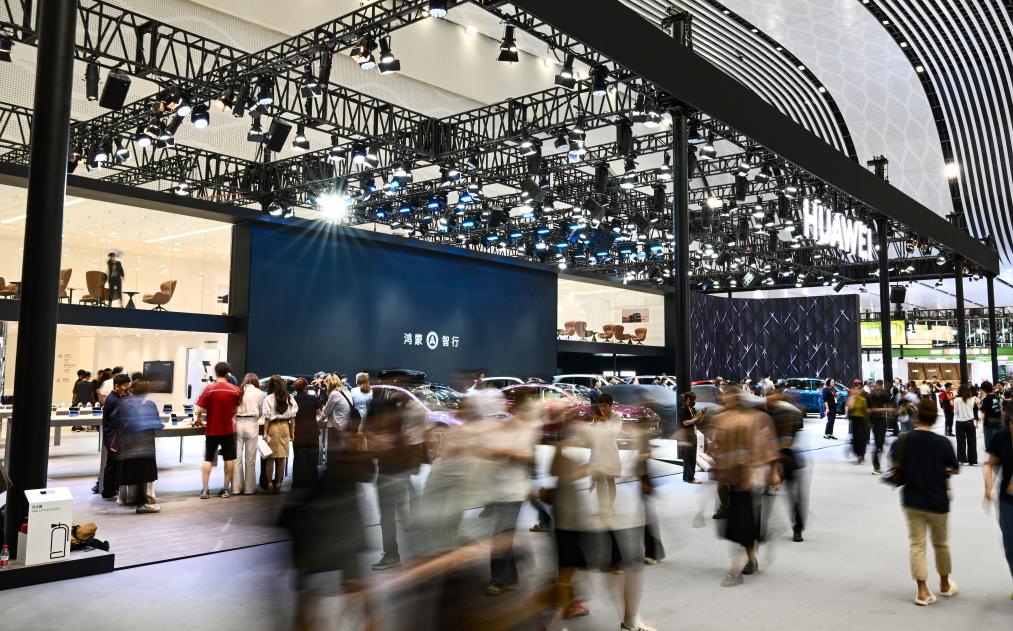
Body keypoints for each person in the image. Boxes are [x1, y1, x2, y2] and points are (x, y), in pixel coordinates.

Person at [889, 399, 958, 605]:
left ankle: (922, 591)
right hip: (938, 500)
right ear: (935, 418)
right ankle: (944, 584)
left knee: (917, 544)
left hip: (912, 499)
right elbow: (955, 468)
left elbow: (894, 463)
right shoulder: (943, 443)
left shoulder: (903, 440)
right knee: (941, 543)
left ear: (916, 417)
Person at [710, 388, 779, 586]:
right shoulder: (722, 419)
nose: (729, 400)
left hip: (749, 479)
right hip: (731, 480)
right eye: (727, 397)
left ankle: (737, 569)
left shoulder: (755, 419)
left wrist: (773, 472)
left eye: (733, 397)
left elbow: (769, 446)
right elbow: (716, 447)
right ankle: (752, 556)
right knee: (741, 523)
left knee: (740, 523)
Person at [367, 387, 425, 571]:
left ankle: (394, 555)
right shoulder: (398, 430)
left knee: (390, 517)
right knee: (395, 516)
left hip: (391, 475)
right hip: (391, 474)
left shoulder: (394, 432)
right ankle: (412, 554)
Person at [114, 377, 162, 514]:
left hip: (129, 445)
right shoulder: (150, 404)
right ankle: (142, 503)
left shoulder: (124, 403)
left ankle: (132, 500)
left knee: (134, 473)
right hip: (145, 445)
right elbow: (156, 423)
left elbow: (116, 420)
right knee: (143, 475)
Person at [195, 361, 241, 499]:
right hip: (228, 430)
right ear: (228, 373)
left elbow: (200, 409)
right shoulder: (235, 390)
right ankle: (226, 489)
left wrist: (198, 420)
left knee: (208, 459)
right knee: (229, 459)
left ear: (215, 372)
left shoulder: (209, 389)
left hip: (212, 430)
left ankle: (205, 490)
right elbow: (235, 409)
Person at [984, 418, 1013, 598]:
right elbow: (990, 464)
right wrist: (988, 488)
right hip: (1007, 500)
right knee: (1010, 546)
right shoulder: (1001, 437)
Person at [586, 394, 622, 515]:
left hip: (610, 453)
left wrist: (604, 421)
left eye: (605, 406)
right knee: (599, 481)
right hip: (597, 453)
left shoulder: (616, 418)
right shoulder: (598, 417)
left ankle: (610, 508)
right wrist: (594, 423)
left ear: (611, 405)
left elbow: (614, 433)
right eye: (600, 406)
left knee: (610, 481)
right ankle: (602, 508)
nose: (602, 408)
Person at [262, 374, 298, 494]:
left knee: (270, 458)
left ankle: (270, 484)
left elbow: (267, 418)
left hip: (273, 427)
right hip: (285, 427)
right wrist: (292, 432)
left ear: (270, 385)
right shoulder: (289, 397)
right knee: (282, 458)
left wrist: (265, 433)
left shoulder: (268, 398)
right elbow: (293, 418)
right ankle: (278, 484)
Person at [98, 373, 131, 499]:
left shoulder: (116, 398)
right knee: (112, 465)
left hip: (113, 436)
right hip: (114, 438)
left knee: (114, 464)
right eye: (125, 386)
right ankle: (108, 491)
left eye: (128, 385)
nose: (127, 388)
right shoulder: (114, 400)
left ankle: (111, 489)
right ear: (117, 386)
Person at [233, 373, 264, 495]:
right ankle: (249, 489)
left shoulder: (237, 391)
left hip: (238, 423)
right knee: (250, 459)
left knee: (237, 458)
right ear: (256, 381)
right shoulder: (259, 392)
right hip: (252, 423)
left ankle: (236, 488)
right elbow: (261, 411)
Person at [292, 377, 322, 489]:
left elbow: (291, 417)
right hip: (312, 432)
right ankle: (312, 481)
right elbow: (319, 414)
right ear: (306, 387)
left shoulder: (293, 399)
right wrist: (314, 421)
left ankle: (299, 482)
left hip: (298, 432)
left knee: (299, 458)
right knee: (312, 457)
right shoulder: (313, 398)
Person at [675, 392, 703, 484]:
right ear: (688, 400)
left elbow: (695, 421)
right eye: (693, 400)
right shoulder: (683, 410)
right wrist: (696, 418)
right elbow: (685, 423)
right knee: (689, 458)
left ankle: (687, 477)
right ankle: (690, 478)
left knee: (691, 457)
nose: (694, 401)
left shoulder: (692, 409)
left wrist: (700, 415)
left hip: (692, 434)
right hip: (686, 436)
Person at [321, 374, 355, 451]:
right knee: (343, 449)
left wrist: (320, 419)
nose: (325, 387)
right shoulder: (347, 391)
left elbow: (326, 412)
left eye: (326, 384)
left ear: (329, 383)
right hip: (346, 424)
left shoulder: (334, 394)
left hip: (336, 425)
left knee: (334, 450)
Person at [869, 380, 893, 475]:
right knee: (878, 443)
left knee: (880, 442)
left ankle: (877, 464)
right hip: (875, 420)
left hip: (881, 419)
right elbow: (873, 409)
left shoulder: (883, 394)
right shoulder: (873, 394)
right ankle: (876, 465)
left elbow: (887, 404)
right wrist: (887, 409)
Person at [953, 384, 978, 465]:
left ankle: (962, 460)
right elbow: (977, 405)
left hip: (960, 423)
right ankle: (973, 460)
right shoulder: (973, 399)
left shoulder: (956, 400)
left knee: (960, 441)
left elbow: (955, 412)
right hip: (970, 422)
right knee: (972, 441)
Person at [847, 383, 870, 465]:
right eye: (855, 389)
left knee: (861, 439)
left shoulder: (862, 399)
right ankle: (858, 454)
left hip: (862, 421)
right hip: (854, 420)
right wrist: (852, 399)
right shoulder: (851, 399)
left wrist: (868, 422)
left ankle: (861, 455)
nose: (856, 391)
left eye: (858, 389)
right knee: (855, 438)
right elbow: (850, 408)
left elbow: (865, 411)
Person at [980, 381, 1004, 451]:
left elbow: (982, 410)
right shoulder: (996, 396)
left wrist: (978, 404)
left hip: (989, 422)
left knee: (989, 439)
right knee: (997, 437)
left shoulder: (986, 399)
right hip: (998, 419)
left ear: (984, 389)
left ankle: (991, 453)